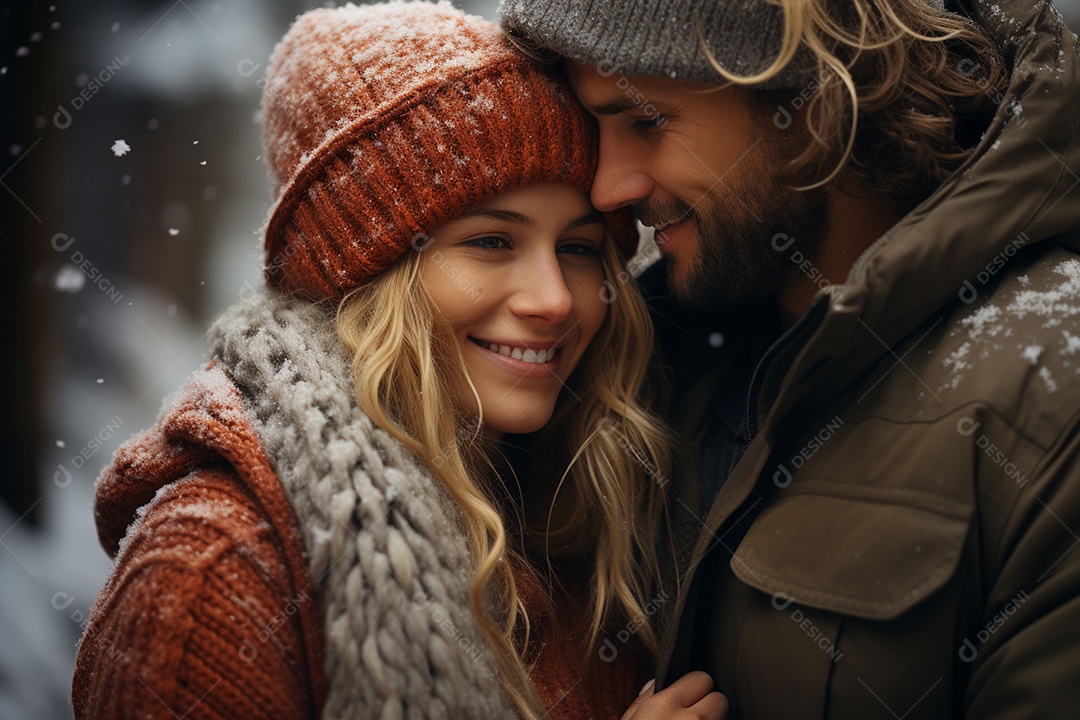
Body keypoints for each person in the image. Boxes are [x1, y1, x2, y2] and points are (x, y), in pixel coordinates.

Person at [71, 3, 729, 719]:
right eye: (492, 243)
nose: (554, 301)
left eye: (577, 248)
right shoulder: (213, 579)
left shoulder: (582, 523)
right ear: (366, 278)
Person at [499, 0, 1080, 716]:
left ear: (819, 100)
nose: (608, 188)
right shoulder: (642, 363)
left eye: (647, 122)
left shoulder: (1054, 388)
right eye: (597, 129)